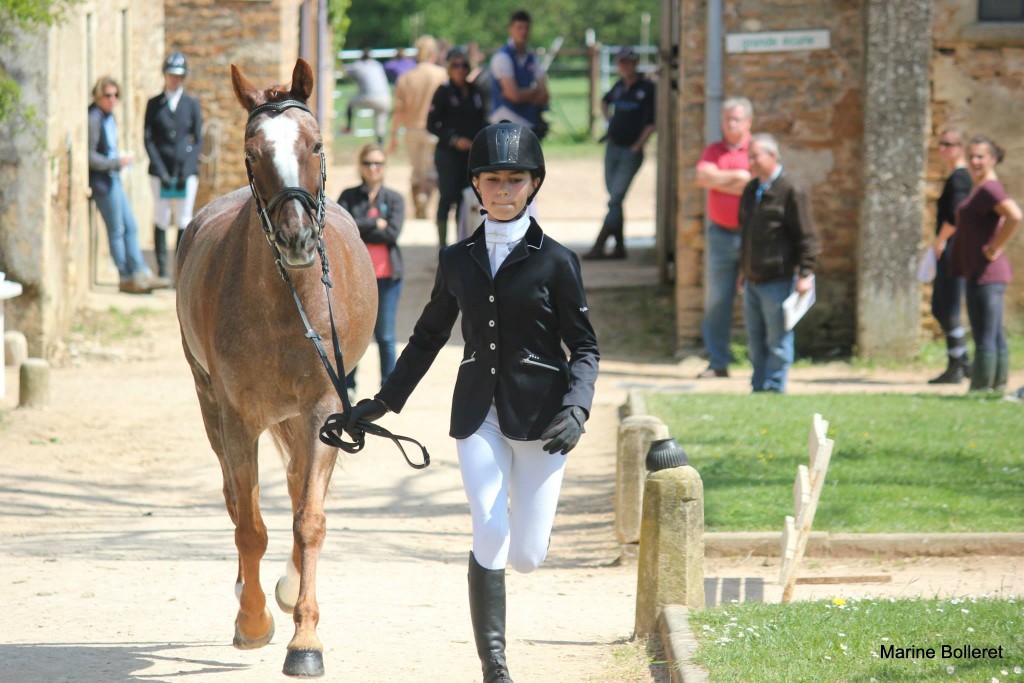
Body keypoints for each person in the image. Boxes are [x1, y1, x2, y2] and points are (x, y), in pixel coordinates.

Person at [346, 122, 599, 683]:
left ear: (532, 185)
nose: (503, 189)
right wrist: (382, 403)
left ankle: (531, 524)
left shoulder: (557, 261)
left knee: (527, 556)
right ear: (476, 186)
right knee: (489, 530)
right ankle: (495, 666)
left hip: (543, 420)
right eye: (492, 179)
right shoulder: (457, 258)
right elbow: (429, 335)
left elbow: (584, 346)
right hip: (477, 412)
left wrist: (577, 408)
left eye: (515, 180)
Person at [738, 134, 820, 393]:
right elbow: (746, 234)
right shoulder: (751, 190)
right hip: (753, 278)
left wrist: (806, 273)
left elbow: (807, 236)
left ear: (773, 156)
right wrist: (743, 269)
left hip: (778, 279)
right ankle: (758, 386)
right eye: (749, 157)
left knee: (777, 339)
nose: (751, 162)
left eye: (755, 156)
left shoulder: (791, 190)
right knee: (755, 340)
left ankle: (774, 387)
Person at [949, 135, 1022, 393]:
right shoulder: (979, 188)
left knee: (985, 333)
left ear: (992, 159)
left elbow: (1015, 216)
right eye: (970, 156)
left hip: (988, 272)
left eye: (980, 156)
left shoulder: (990, 188)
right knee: (993, 332)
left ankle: (981, 388)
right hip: (979, 271)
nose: (975, 161)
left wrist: (994, 247)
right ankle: (996, 385)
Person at [337, 144, 405, 390]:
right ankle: (348, 386)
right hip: (354, 279)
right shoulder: (348, 196)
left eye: (378, 163)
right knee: (353, 335)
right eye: (368, 163)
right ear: (360, 166)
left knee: (385, 336)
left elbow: (392, 233)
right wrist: (375, 222)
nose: (373, 168)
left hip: (387, 278)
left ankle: (390, 387)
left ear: (385, 167)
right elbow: (344, 228)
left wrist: (362, 229)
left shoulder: (395, 199)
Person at [695, 96, 754, 378]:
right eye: (727, 118)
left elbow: (753, 185)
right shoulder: (713, 150)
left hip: (754, 237)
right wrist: (738, 178)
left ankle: (760, 362)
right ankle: (718, 362)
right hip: (720, 235)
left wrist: (721, 179)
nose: (731, 124)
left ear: (748, 122)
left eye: (737, 119)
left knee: (757, 298)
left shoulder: (757, 149)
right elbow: (702, 178)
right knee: (717, 300)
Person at [88, 76, 163, 294]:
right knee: (117, 229)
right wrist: (116, 162)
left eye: (115, 95)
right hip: (103, 181)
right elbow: (90, 157)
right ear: (98, 96)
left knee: (131, 225)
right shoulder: (94, 118)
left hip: (114, 177)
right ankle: (126, 276)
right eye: (108, 95)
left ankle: (140, 272)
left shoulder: (109, 117)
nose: (112, 100)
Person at [583, 46, 655, 261]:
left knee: (615, 198)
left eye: (627, 62)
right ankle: (620, 248)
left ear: (634, 64)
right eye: (620, 63)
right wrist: (609, 121)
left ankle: (599, 245)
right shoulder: (619, 86)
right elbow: (605, 101)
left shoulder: (647, 88)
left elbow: (652, 121)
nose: (624, 66)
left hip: (630, 150)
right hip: (613, 146)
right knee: (615, 199)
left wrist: (639, 144)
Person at [144, 51, 202, 282]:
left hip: (185, 172)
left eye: (178, 76)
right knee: (161, 215)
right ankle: (163, 269)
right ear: (165, 76)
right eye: (171, 75)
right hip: (161, 171)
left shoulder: (191, 104)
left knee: (183, 218)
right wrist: (161, 170)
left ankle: (180, 270)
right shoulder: (154, 104)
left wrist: (186, 170)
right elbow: (148, 138)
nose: (174, 80)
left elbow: (197, 139)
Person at [427, 47, 487, 247]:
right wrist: (453, 139)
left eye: (464, 65)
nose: (460, 69)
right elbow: (431, 124)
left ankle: (462, 242)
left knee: (466, 198)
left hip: (469, 154)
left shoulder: (474, 91)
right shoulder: (443, 92)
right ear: (449, 68)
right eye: (456, 65)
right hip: (448, 153)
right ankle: (442, 245)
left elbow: (482, 119)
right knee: (446, 197)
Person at [927, 127, 973, 384]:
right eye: (941, 144)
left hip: (953, 250)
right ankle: (961, 360)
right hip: (952, 250)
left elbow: (955, 215)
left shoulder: (959, 178)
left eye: (949, 144)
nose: (943, 149)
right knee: (942, 306)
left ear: (961, 148)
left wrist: (940, 240)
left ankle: (959, 363)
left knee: (946, 306)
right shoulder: (959, 177)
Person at [390, 35, 448, 220]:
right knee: (431, 170)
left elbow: (398, 110)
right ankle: (424, 198)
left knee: (416, 171)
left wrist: (393, 136)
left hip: (411, 129)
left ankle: (417, 207)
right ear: (433, 53)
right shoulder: (441, 74)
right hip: (433, 129)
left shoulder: (406, 77)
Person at [488, 9, 549, 138]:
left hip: (529, 124)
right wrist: (534, 91)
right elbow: (513, 95)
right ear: (511, 29)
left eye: (526, 28)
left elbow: (544, 95)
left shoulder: (533, 57)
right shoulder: (502, 57)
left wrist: (521, 94)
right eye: (519, 28)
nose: (523, 32)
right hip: (505, 125)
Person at [344, 48, 392, 144]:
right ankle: (380, 147)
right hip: (386, 98)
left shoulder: (358, 65)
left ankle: (349, 127)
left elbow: (345, 69)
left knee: (350, 104)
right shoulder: (377, 65)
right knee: (380, 126)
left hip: (370, 97)